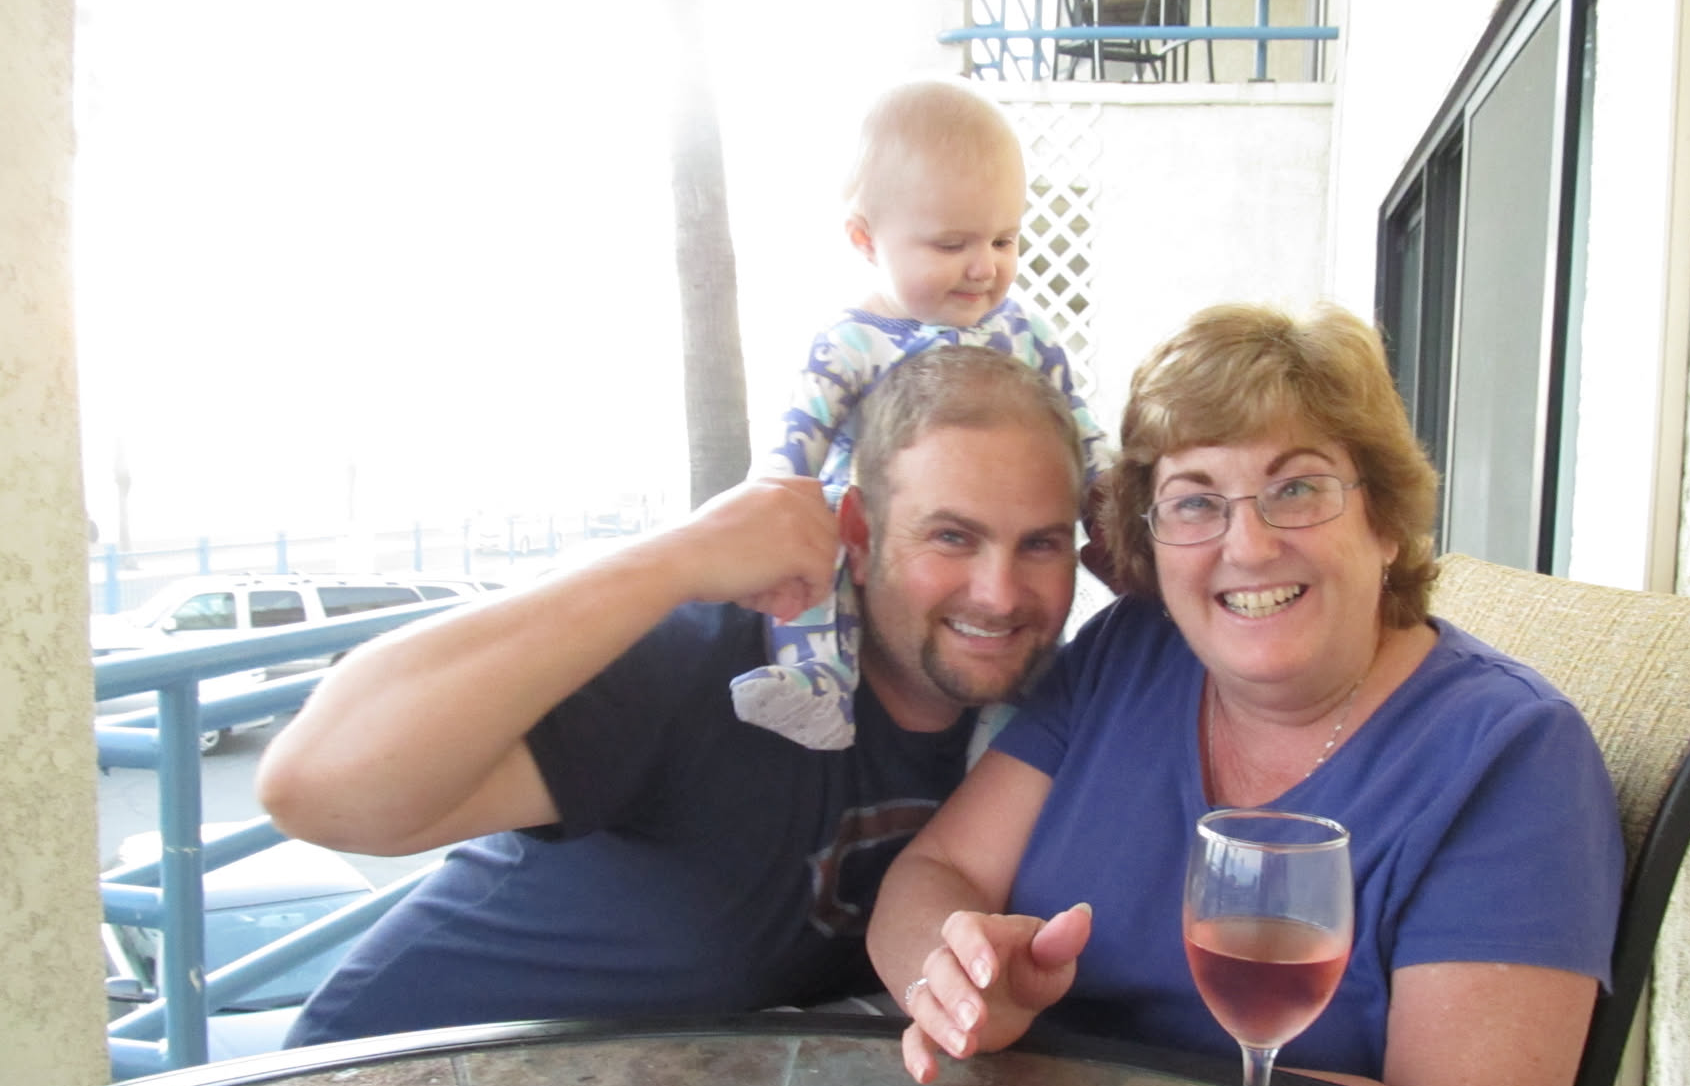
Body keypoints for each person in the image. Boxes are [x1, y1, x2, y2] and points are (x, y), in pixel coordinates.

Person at [867, 303, 1625, 1086]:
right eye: (1194, 503)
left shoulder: (1510, 757)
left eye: (1296, 489)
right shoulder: (1129, 653)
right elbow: (934, 873)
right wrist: (959, 982)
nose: (1250, 546)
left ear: (1383, 520)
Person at [257, 344, 1086, 1047]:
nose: (999, 594)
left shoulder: (1044, 722)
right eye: (952, 536)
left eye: (1041, 545)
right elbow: (314, 789)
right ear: (859, 538)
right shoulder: (721, 662)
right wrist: (679, 558)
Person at [732, 76, 1112, 753]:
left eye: (1003, 241)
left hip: (997, 516)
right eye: (950, 245)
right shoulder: (851, 340)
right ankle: (816, 678)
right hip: (869, 526)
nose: (983, 269)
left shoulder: (1025, 331)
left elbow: (1077, 424)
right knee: (811, 557)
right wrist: (768, 511)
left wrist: (1111, 489)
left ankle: (1005, 745)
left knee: (1027, 628)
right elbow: (796, 442)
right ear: (865, 239)